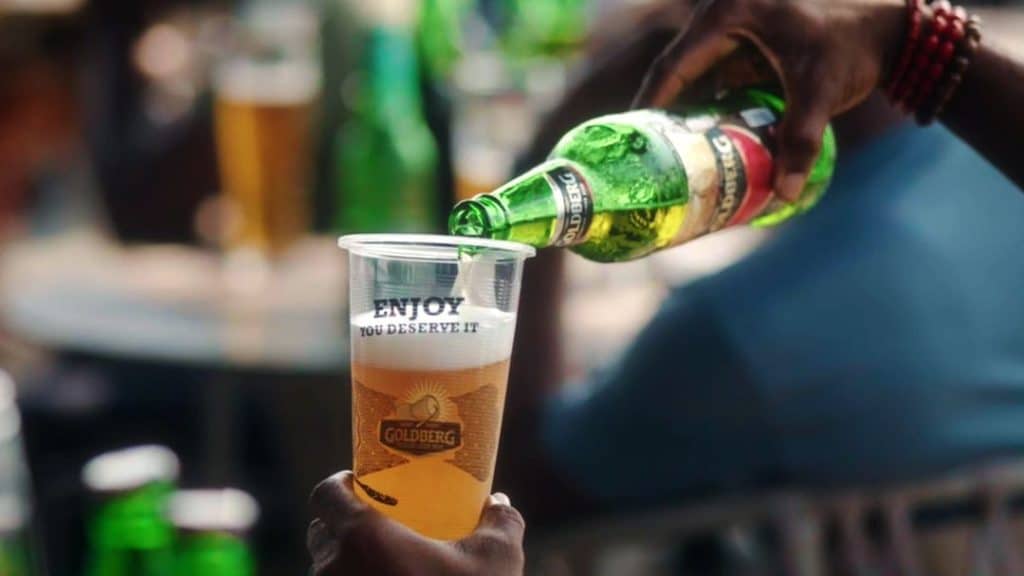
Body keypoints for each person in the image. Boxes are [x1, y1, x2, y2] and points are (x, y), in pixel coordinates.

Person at [308, 1, 1024, 574]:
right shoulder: (995, 168)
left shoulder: (737, 335)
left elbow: (520, 487)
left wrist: (559, 128)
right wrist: (910, 42)